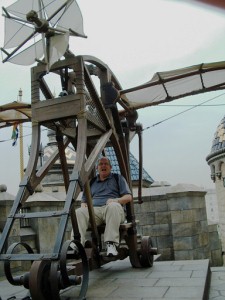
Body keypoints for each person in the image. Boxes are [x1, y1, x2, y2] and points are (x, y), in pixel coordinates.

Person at [74, 156, 132, 256]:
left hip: (113, 211)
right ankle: (77, 244)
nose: (103, 166)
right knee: (79, 211)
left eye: (106, 164)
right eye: (101, 164)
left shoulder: (118, 178)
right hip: (95, 212)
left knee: (113, 206)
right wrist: (84, 207)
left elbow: (128, 197)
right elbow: (84, 201)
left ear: (110, 167)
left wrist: (116, 200)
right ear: (97, 168)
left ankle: (111, 244)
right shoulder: (91, 182)